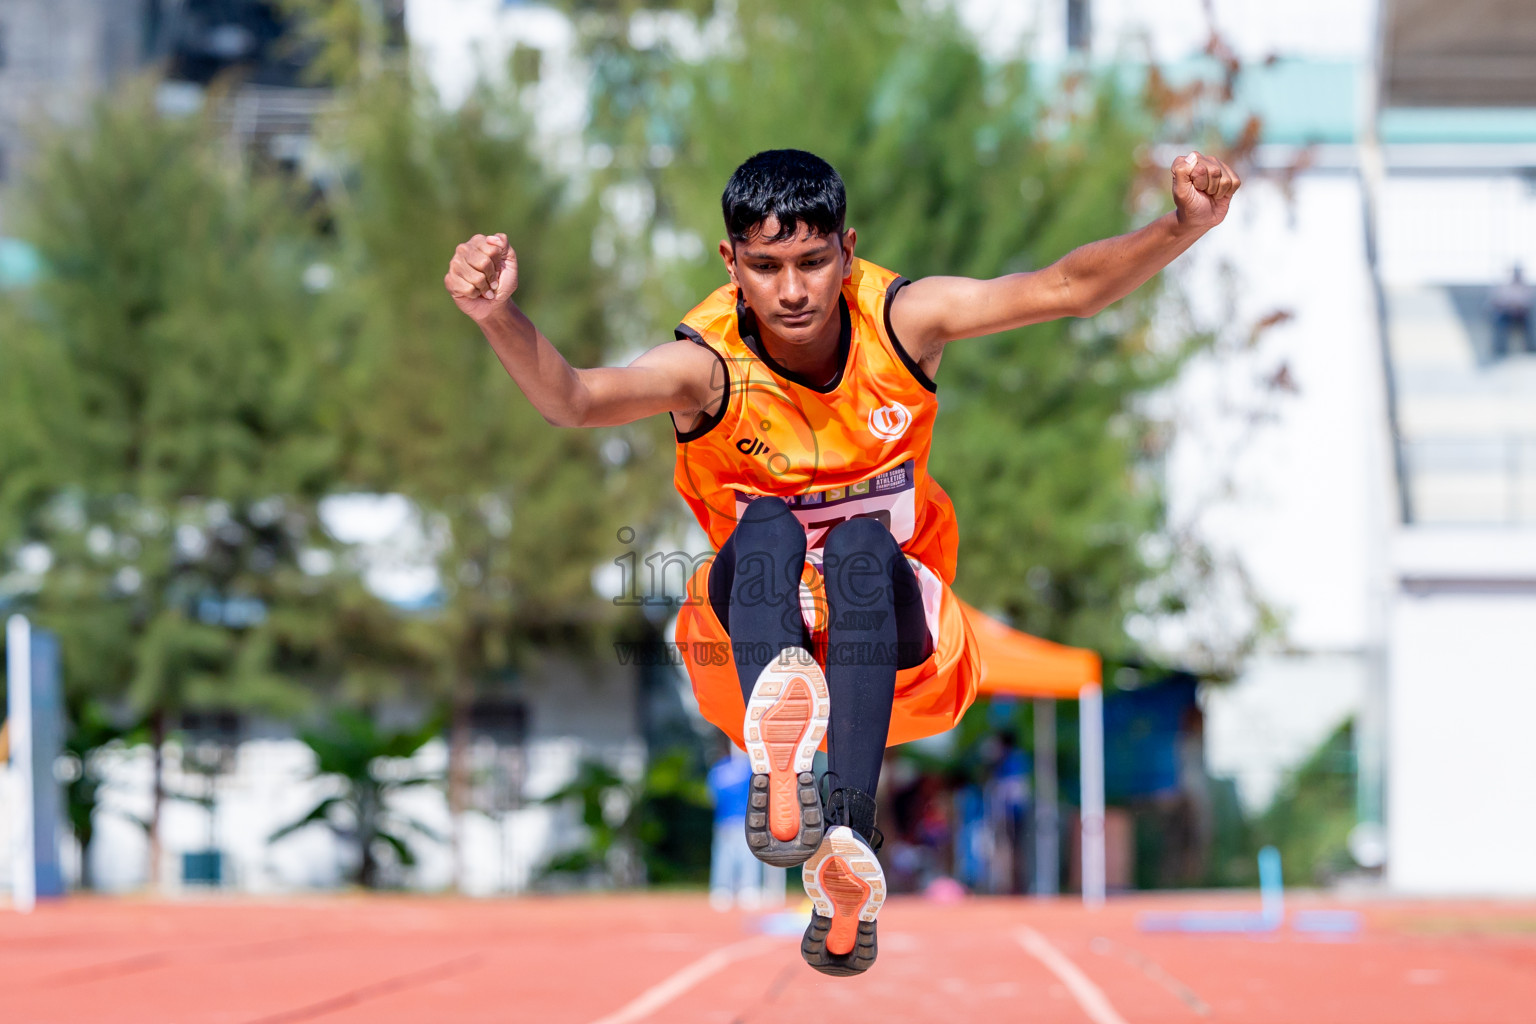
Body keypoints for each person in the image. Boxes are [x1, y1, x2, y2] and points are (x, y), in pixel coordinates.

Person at [443, 146, 1240, 975]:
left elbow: (1068, 289)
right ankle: (814, 789)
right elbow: (574, 399)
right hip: (750, 635)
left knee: (861, 545)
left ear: (847, 251)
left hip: (900, 653)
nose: (792, 291)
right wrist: (498, 315)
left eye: (814, 263)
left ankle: (847, 832)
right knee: (770, 532)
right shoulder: (706, 366)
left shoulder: (902, 321)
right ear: (732, 263)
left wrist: (1182, 226)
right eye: (767, 266)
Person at [706, 745, 763, 909]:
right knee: (729, 857)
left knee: (735, 857)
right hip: (734, 821)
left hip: (738, 821)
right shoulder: (747, 770)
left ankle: (737, 889)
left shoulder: (721, 770)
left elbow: (713, 796)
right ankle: (728, 889)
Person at [1490, 265, 1533, 358]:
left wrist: (1518, 308)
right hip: (1507, 314)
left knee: (1530, 323)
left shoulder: (1526, 287)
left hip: (1521, 315)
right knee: (1500, 321)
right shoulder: (1506, 287)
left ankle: (1531, 349)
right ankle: (1500, 350)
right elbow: (1499, 302)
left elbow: (1528, 303)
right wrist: (1510, 307)